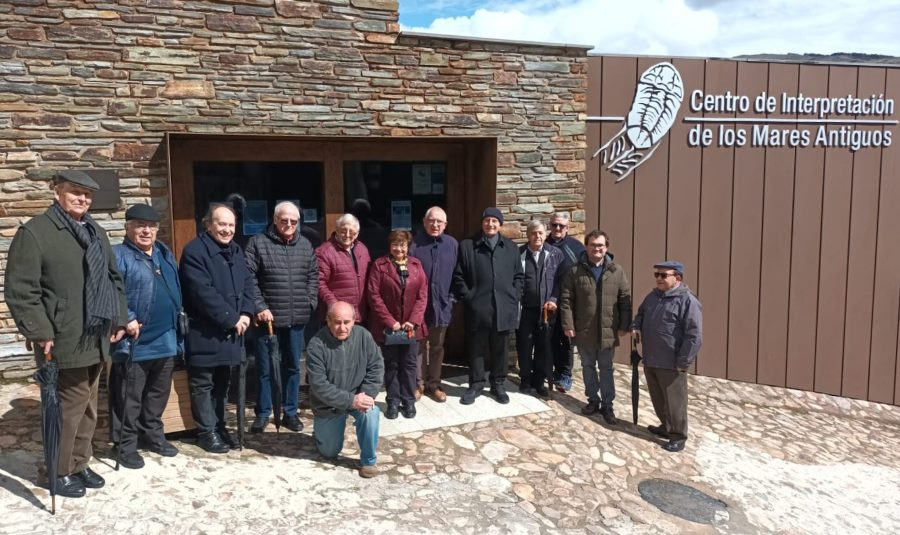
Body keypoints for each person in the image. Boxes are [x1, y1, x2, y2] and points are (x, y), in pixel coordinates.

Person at [6, 170, 127, 498]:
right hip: (62, 335)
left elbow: (113, 280)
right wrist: (39, 330)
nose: (82, 199)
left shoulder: (95, 231)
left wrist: (118, 318)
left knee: (88, 403)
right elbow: (21, 290)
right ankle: (56, 471)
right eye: (75, 192)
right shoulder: (36, 233)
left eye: (87, 195)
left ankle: (78, 462)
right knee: (67, 406)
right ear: (57, 191)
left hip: (97, 333)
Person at [179, 204, 258, 454]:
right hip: (205, 331)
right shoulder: (194, 251)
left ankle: (220, 426)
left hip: (232, 331)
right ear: (209, 224)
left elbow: (247, 284)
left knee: (223, 384)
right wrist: (231, 318)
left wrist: (246, 313)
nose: (227, 230)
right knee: (203, 384)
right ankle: (206, 431)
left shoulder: (236, 250)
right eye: (222, 224)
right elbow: (203, 293)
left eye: (231, 225)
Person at [109, 204, 182, 469]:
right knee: (129, 396)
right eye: (140, 225)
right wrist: (125, 316)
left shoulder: (163, 252)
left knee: (157, 394)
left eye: (151, 225)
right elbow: (111, 291)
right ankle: (125, 444)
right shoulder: (119, 255)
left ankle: (153, 435)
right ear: (127, 227)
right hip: (136, 341)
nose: (146, 230)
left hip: (166, 337)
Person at [245, 201, 319, 434]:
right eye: (284, 220)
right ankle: (264, 412)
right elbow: (249, 278)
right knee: (265, 368)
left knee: (293, 368)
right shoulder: (258, 243)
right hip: (267, 319)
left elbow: (313, 277)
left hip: (296, 318)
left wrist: (310, 301)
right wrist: (259, 306)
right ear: (275, 219)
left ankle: (290, 411)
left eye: (293, 221)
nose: (289, 225)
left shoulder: (305, 245)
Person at [452, 207, 524, 405]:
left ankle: (498, 384)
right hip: (478, 308)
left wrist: (514, 295)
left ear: (500, 224)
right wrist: (469, 297)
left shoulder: (510, 247)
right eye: (487, 220)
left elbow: (519, 276)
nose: (490, 224)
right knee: (476, 348)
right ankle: (476, 384)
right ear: (482, 223)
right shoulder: (468, 246)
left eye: (494, 221)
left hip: (503, 307)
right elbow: (459, 276)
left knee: (500, 348)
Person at [559, 230, 632, 425]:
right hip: (584, 329)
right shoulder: (575, 271)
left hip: (608, 330)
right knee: (588, 366)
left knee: (606, 368)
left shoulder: (617, 271)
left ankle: (608, 405)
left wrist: (625, 325)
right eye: (593, 245)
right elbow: (566, 300)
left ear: (606, 247)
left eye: (600, 245)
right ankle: (593, 400)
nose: (596, 249)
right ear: (586, 247)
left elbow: (625, 300)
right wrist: (568, 324)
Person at [631, 261, 702, 453]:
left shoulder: (687, 301)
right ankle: (666, 426)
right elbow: (640, 315)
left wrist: (683, 362)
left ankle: (678, 435)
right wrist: (636, 327)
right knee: (658, 398)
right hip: (651, 358)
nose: (659, 279)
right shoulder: (652, 297)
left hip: (672, 363)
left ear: (677, 277)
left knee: (675, 402)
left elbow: (694, 336)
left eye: (664, 275)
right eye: (657, 275)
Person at [306, 301, 384, 478]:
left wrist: (366, 395)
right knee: (329, 452)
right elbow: (319, 385)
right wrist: (350, 400)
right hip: (329, 405)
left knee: (371, 412)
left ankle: (369, 461)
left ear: (354, 321)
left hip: (358, 396)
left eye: (347, 322)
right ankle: (321, 433)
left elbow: (376, 367)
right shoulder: (316, 345)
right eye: (337, 322)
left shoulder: (364, 336)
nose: (342, 327)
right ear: (328, 321)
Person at [367, 230, 428, 419]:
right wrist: (390, 321)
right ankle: (393, 401)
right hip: (389, 327)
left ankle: (409, 400)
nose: (398, 248)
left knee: (409, 365)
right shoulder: (379, 265)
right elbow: (373, 295)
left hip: (411, 327)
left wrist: (414, 320)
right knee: (391, 364)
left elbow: (422, 295)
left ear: (408, 246)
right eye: (395, 244)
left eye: (402, 244)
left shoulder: (417, 266)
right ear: (389, 246)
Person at [410, 206, 458, 402]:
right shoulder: (414, 244)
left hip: (443, 305)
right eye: (432, 220)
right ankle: (418, 384)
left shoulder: (453, 244)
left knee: (437, 346)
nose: (435, 224)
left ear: (445, 224)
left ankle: (434, 383)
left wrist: (452, 298)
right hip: (419, 307)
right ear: (424, 222)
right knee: (418, 346)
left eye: (439, 221)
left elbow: (458, 275)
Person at [515, 220, 565, 397]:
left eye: (541, 233)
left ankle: (539, 382)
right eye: (534, 233)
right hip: (525, 310)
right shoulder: (518, 254)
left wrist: (553, 299)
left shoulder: (555, 254)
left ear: (545, 235)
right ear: (528, 235)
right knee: (525, 346)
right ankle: (525, 381)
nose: (538, 236)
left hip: (546, 311)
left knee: (543, 347)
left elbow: (561, 281)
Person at [545, 212, 585, 393]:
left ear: (567, 228)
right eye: (554, 225)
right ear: (550, 226)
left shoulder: (576, 247)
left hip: (569, 302)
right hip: (548, 301)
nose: (558, 229)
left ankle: (566, 374)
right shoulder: (542, 244)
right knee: (551, 337)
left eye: (561, 226)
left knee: (567, 339)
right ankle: (554, 370)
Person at [316, 213, 371, 324]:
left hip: (360, 315)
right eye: (343, 230)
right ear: (336, 229)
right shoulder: (324, 252)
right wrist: (334, 305)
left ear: (357, 233)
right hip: (337, 317)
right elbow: (319, 283)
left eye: (352, 232)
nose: (347, 235)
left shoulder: (362, 249)